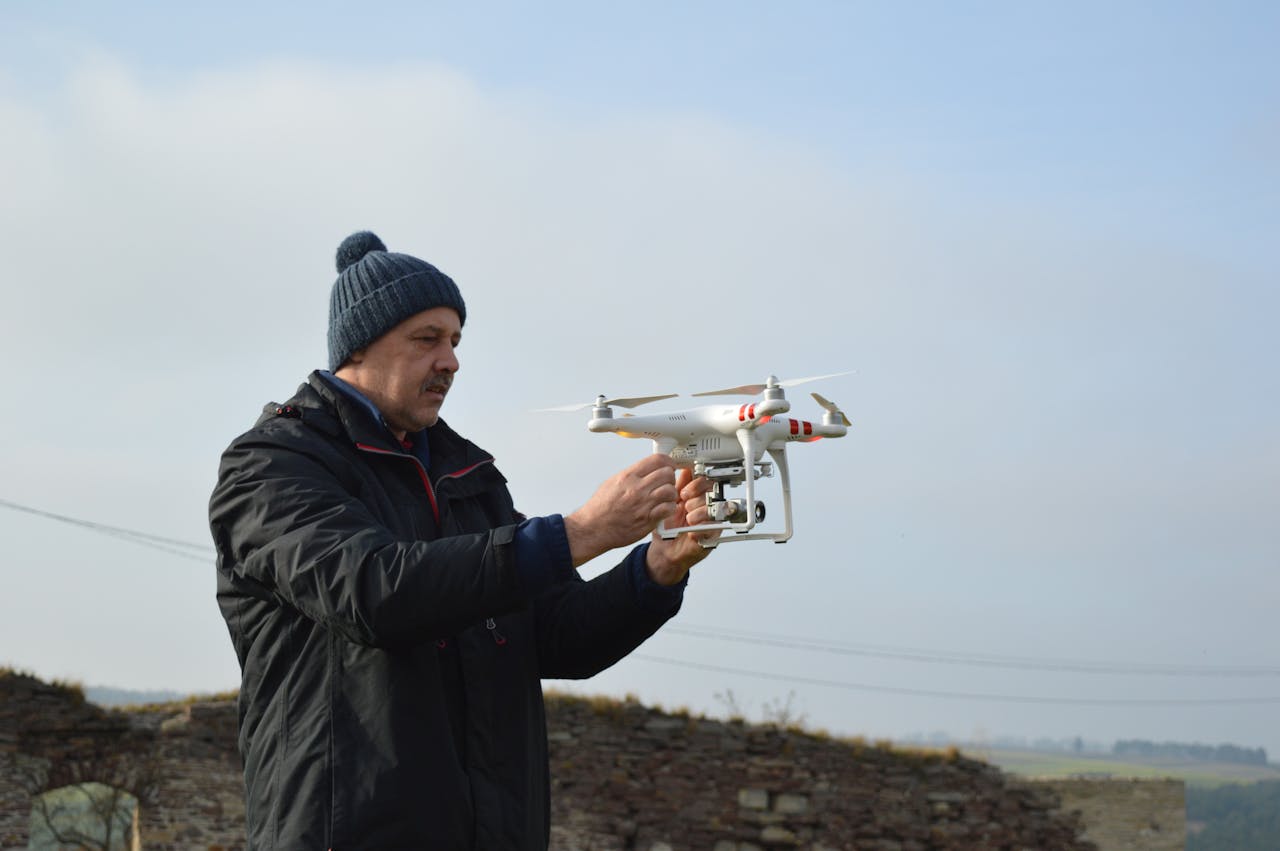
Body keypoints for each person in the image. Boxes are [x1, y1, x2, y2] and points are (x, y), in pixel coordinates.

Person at [208, 231, 718, 850]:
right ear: (359, 346)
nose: (450, 360)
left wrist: (657, 569)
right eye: (427, 339)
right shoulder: (271, 465)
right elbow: (375, 592)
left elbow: (557, 637)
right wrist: (582, 532)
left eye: (454, 341)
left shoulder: (467, 474)